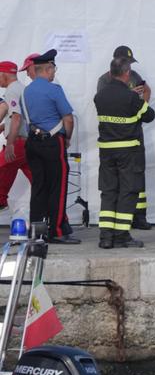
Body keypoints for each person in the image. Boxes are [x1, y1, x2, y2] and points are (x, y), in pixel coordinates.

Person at [94, 57, 155, 248]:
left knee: (108, 191)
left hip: (106, 151)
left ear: (111, 73)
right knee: (127, 191)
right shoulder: (130, 97)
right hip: (128, 151)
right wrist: (138, 97)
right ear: (127, 73)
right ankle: (121, 235)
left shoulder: (100, 96)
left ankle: (105, 237)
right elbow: (149, 115)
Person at [22, 49, 79, 243]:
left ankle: (37, 232)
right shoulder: (54, 90)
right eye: (53, 69)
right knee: (58, 187)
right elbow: (68, 119)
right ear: (47, 69)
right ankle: (56, 231)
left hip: (32, 143)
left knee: (38, 187)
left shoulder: (26, 92)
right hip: (53, 143)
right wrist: (68, 137)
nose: (54, 73)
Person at [0, 61, 31, 211]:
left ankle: (1, 201)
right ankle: (52, 210)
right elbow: (16, 117)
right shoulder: (21, 88)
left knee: (2, 167)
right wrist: (3, 127)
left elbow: (17, 118)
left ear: (4, 74)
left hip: (18, 142)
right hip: (27, 142)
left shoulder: (12, 90)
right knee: (38, 179)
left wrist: (10, 143)